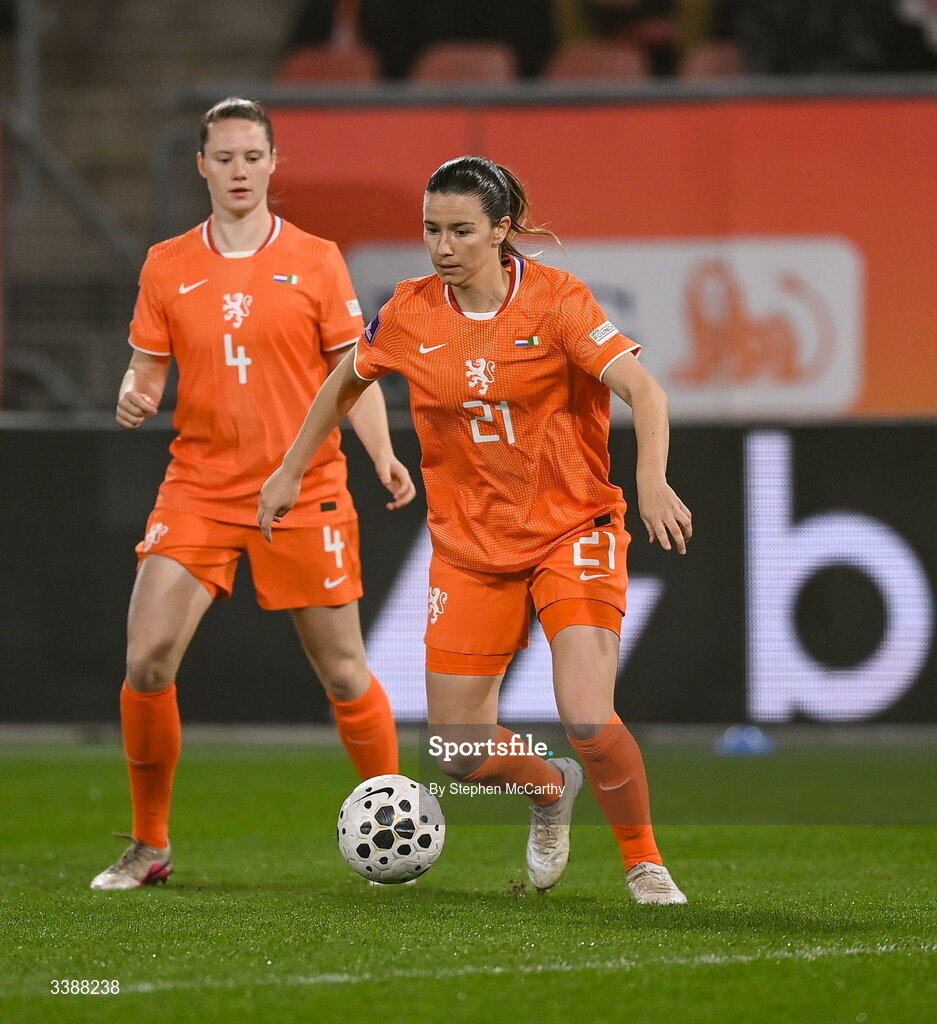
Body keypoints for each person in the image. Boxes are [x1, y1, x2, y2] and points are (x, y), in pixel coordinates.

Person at [259, 155, 691, 904]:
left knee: (588, 716)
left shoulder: (556, 301)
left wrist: (650, 479)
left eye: (460, 230)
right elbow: (343, 382)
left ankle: (643, 863)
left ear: (500, 230)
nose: (442, 246)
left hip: (571, 529)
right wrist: (291, 469)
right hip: (469, 547)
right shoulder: (409, 311)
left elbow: (644, 392)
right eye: (431, 229)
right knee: (457, 752)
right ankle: (548, 786)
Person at [90, 97, 415, 891]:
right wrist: (134, 392)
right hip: (199, 484)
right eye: (225, 157)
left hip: (303, 486)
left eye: (252, 157)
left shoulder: (315, 259)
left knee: (344, 673)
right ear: (201, 166)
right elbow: (146, 368)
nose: (239, 171)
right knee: (146, 659)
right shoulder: (167, 264)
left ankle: (394, 826)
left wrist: (382, 453)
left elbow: (353, 373)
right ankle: (149, 844)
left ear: (273, 164)